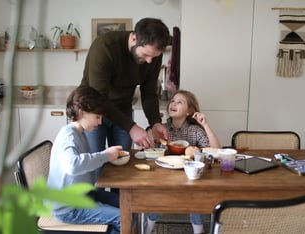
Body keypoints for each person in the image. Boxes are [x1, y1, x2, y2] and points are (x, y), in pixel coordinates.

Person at [80, 17, 171, 153]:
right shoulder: (104, 47)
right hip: (93, 110)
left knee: (122, 159)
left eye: (154, 56)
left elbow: (149, 93)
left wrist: (155, 123)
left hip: (122, 110)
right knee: (95, 160)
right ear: (134, 38)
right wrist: (131, 127)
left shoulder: (152, 56)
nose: (149, 61)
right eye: (146, 54)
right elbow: (99, 97)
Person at [47, 86, 122, 234]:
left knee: (127, 203)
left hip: (83, 195)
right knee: (122, 217)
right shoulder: (69, 136)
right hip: (68, 208)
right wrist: (105, 155)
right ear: (81, 112)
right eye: (97, 117)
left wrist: (106, 156)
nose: (100, 122)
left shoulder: (79, 132)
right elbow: (72, 166)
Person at [145, 90, 221, 234]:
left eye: (180, 102)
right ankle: (147, 229)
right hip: (164, 177)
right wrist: (150, 132)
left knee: (195, 196)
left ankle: (198, 230)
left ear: (189, 111)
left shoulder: (195, 130)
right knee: (157, 199)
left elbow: (216, 150)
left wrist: (205, 125)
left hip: (190, 178)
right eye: (173, 101)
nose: (173, 104)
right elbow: (148, 149)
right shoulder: (162, 129)